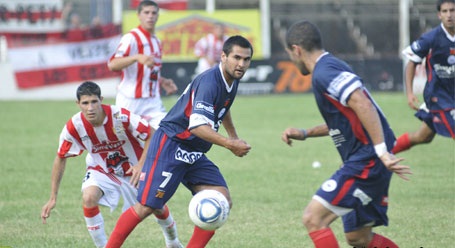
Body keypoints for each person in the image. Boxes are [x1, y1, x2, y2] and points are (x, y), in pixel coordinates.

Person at [106, 35, 253, 248]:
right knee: (146, 206)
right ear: (223, 56)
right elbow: (197, 126)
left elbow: (223, 106)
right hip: (171, 144)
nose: (241, 64)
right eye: (236, 57)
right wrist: (230, 145)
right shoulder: (210, 82)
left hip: (193, 151)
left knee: (221, 200)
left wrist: (233, 136)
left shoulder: (232, 78)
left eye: (246, 59)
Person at [281, 20, 412, 248]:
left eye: (290, 54)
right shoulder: (331, 66)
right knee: (358, 238)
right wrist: (305, 133)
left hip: (367, 160)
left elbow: (362, 103)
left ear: (297, 50)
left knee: (313, 218)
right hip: (366, 158)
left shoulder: (324, 72)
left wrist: (381, 151)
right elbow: (347, 118)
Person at [41, 81, 183, 248]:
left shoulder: (120, 116)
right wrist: (53, 197)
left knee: (155, 206)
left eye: (94, 102)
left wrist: (140, 166)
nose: (90, 108)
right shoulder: (74, 126)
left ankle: (173, 241)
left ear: (101, 100)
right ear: (78, 104)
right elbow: (61, 157)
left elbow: (152, 134)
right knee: (88, 197)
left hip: (135, 169)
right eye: (85, 103)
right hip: (103, 170)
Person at [392, 0, 455, 154]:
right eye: (445, 11)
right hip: (438, 97)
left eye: (452, 10)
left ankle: (379, 156)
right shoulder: (431, 38)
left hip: (452, 95)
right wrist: (410, 93)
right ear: (439, 15)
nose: (449, 15)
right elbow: (411, 63)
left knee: (423, 136)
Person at [108, 0, 178, 130]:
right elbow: (112, 65)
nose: (150, 16)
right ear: (139, 15)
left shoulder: (156, 41)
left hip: (152, 102)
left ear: (157, 16)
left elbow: (150, 71)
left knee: (167, 131)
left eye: (153, 13)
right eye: (146, 12)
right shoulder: (131, 38)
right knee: (122, 143)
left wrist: (162, 81)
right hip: (130, 100)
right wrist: (136, 57)